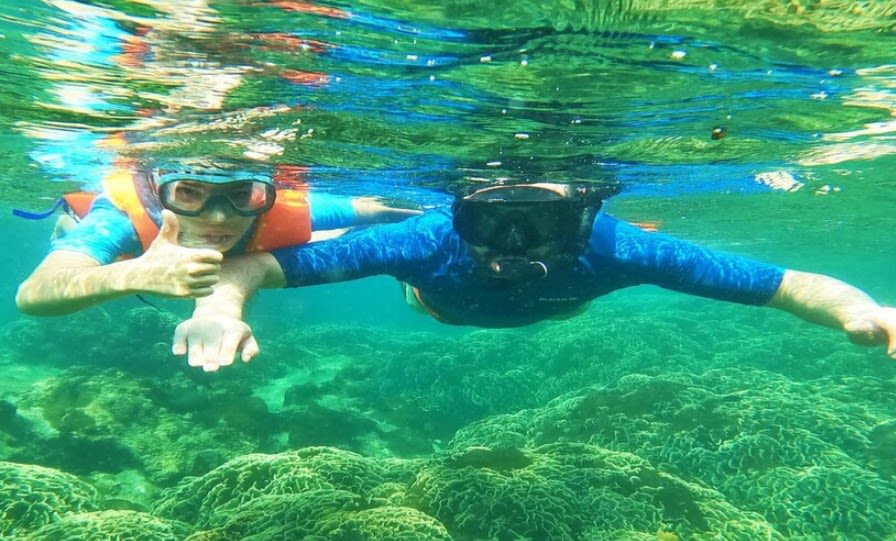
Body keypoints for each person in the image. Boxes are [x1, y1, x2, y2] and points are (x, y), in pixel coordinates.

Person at [174, 181, 896, 372]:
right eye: (488, 222)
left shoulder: (623, 248)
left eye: (541, 223)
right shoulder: (425, 239)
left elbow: (783, 283)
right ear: (459, 214)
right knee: (406, 283)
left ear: (581, 218)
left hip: (559, 304)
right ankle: (347, 217)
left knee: (564, 305)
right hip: (435, 301)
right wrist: (221, 306)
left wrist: (859, 309)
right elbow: (254, 262)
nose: (511, 244)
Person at [15, 166, 419, 317]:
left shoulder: (283, 211)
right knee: (77, 234)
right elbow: (34, 294)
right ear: (157, 193)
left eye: (242, 195)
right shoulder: (117, 220)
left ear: (264, 194)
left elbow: (371, 208)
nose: (219, 218)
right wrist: (130, 275)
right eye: (190, 193)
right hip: (125, 251)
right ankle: (67, 226)